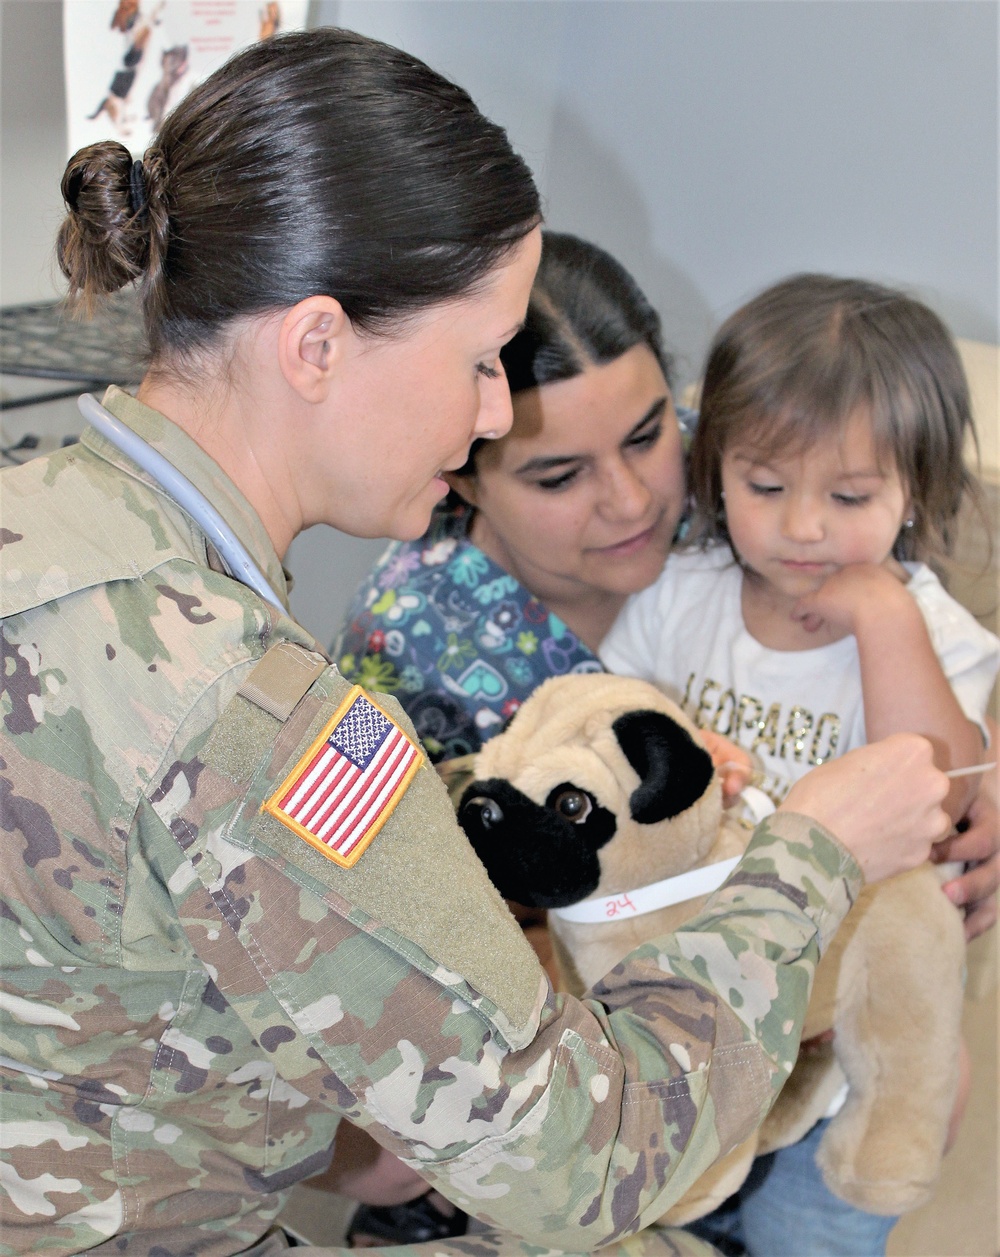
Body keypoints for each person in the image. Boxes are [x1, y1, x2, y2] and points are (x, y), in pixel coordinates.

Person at [0, 30, 957, 1253]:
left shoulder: (39, 526)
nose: (496, 410)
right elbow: (580, 1166)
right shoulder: (253, 714)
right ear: (317, 344)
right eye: (478, 360)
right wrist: (814, 861)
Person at [334, 238, 1000, 1249]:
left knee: (923, 1077)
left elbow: (930, 584)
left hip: (814, 1002)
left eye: (650, 437)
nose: (638, 500)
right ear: (457, 476)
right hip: (593, 1037)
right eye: (559, 475)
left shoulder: (756, 460)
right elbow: (421, 961)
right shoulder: (413, 648)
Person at [600, 273, 1000, 1255]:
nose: (806, 526)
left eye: (850, 496)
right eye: (765, 487)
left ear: (915, 490)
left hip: (847, 1024)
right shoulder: (680, 597)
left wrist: (881, 617)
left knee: (814, 1222)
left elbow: (945, 789)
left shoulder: (932, 629)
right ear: (715, 475)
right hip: (706, 994)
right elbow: (611, 722)